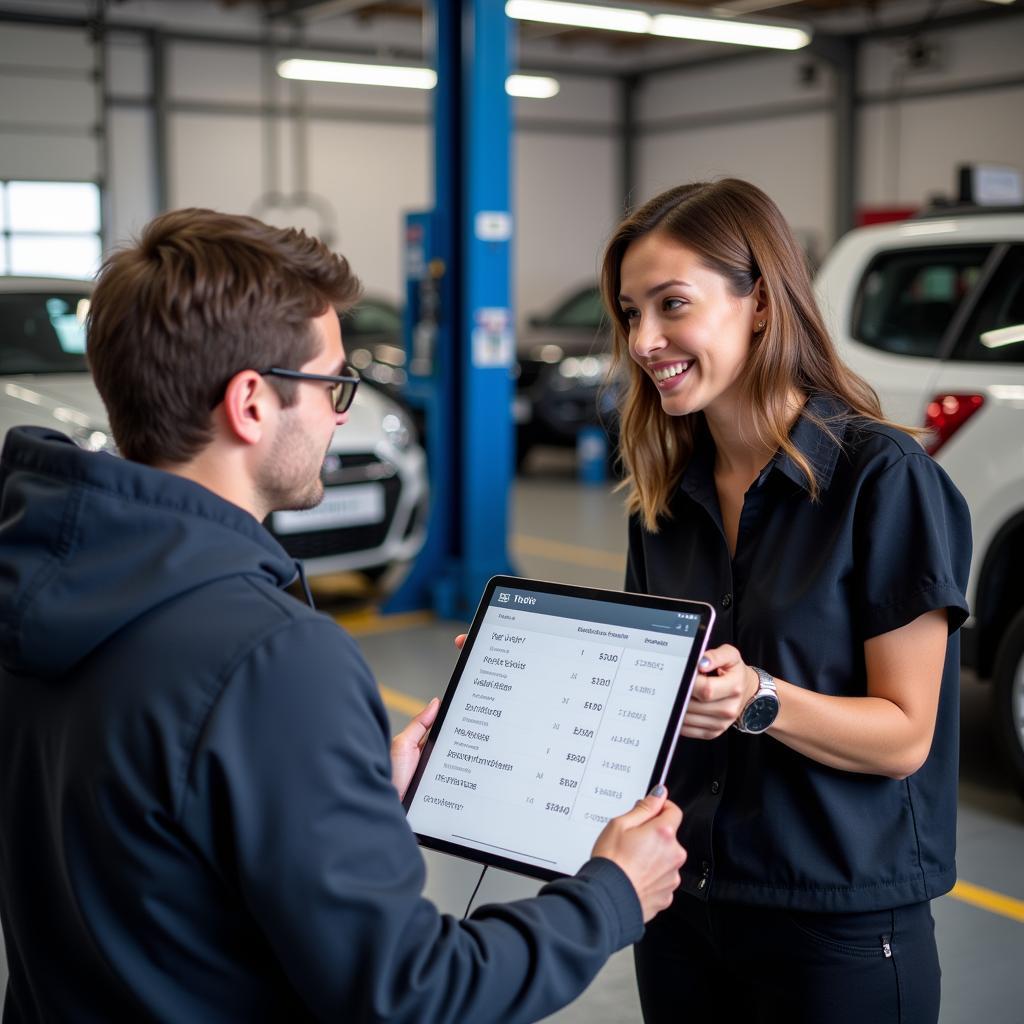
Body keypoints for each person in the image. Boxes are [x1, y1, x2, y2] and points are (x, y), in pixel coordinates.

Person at [0, 208, 687, 1022]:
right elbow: (411, 993)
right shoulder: (271, 658)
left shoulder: (42, 582)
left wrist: (340, 793)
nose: (339, 414)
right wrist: (611, 893)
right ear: (251, 402)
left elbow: (153, 851)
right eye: (332, 386)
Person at [599, 179, 971, 1023]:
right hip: (683, 908)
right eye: (630, 313)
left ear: (760, 305)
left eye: (672, 305)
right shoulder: (664, 497)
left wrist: (758, 697)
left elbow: (905, 736)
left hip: (834, 930)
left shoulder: (882, 480)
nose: (645, 340)